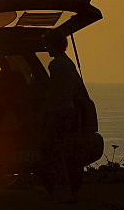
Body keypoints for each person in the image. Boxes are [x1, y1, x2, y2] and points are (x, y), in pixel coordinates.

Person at [40, 29, 82, 203]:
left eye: (47, 44)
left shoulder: (56, 65)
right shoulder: (69, 63)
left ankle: (62, 192)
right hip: (68, 110)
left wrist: (43, 110)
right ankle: (65, 191)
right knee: (61, 152)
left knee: (54, 153)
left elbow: (53, 91)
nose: (45, 48)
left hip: (57, 111)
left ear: (53, 45)